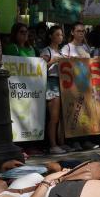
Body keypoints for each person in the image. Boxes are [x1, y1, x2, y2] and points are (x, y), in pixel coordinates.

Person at [41, 25, 68, 154]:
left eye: (61, 35)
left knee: (62, 117)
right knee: (54, 116)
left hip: (63, 83)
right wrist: (53, 61)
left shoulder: (62, 52)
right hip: (51, 83)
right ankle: (52, 145)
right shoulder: (46, 51)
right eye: (57, 34)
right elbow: (40, 68)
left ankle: (61, 143)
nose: (60, 37)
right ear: (51, 36)